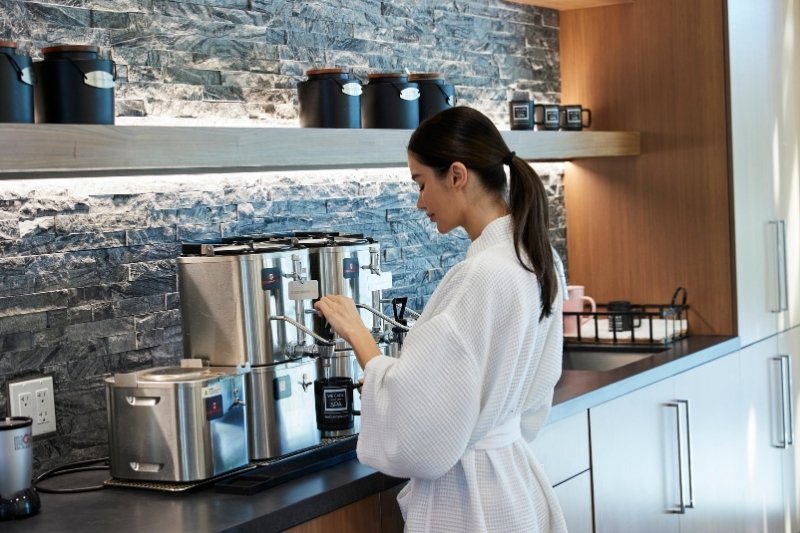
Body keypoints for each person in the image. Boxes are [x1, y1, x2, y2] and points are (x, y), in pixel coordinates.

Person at [314, 106, 567, 532]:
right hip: (513, 486)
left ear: (456, 175)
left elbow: (426, 430)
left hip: (470, 502)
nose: (419, 202)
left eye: (421, 182)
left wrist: (360, 338)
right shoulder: (538, 257)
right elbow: (535, 392)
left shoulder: (479, 276)